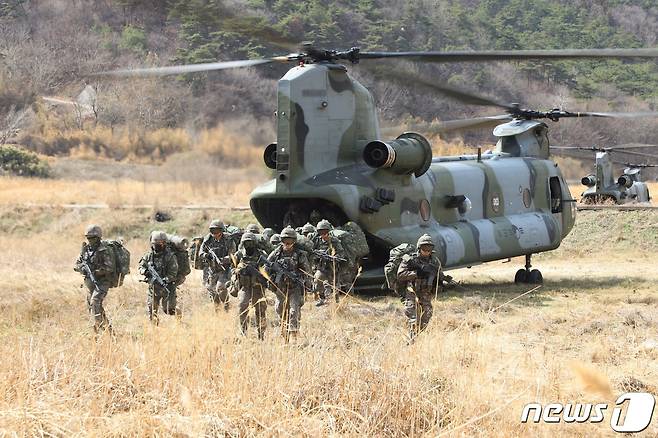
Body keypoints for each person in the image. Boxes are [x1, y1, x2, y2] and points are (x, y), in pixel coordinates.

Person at [265, 227, 311, 342]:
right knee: (280, 309)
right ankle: (283, 329)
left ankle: (294, 334)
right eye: (285, 241)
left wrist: (307, 283)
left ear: (294, 241)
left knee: (294, 310)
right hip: (280, 287)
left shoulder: (299, 254)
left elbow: (307, 270)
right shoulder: (276, 253)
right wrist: (271, 276)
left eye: (290, 241)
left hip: (294, 286)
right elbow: (266, 266)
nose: (287, 244)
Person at [397, 234, 443, 342]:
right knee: (412, 316)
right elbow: (400, 274)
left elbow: (439, 274)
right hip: (412, 291)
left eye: (429, 248)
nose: (427, 251)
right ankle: (410, 340)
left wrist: (439, 279)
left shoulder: (434, 261)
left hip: (425, 293)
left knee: (427, 314)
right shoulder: (410, 259)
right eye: (424, 248)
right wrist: (416, 273)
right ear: (419, 248)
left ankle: (415, 335)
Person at [74, 224, 115, 334]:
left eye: (93, 238)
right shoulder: (85, 250)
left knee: (95, 302)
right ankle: (109, 332)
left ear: (98, 238)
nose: (90, 240)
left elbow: (109, 267)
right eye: (88, 238)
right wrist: (83, 269)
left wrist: (96, 271)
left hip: (102, 282)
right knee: (93, 307)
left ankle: (97, 331)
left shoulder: (104, 250)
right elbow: (76, 265)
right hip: (89, 283)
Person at [232, 232, 269, 340]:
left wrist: (259, 272)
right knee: (242, 306)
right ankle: (243, 331)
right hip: (245, 286)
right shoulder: (239, 254)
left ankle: (261, 335)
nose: (248, 245)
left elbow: (267, 269)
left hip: (258, 287)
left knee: (260, 310)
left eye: (250, 242)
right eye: (246, 243)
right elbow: (231, 268)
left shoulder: (261, 255)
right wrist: (239, 270)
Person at [139, 231, 179, 325]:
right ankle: (155, 330)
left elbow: (173, 273)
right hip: (153, 289)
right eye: (155, 244)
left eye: (159, 244)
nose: (156, 246)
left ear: (164, 244)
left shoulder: (170, 257)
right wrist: (145, 272)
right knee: (152, 311)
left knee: (169, 310)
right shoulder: (149, 255)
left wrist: (165, 280)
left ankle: (178, 315)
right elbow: (141, 266)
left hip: (167, 288)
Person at [199, 219, 236, 312]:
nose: (214, 233)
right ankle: (218, 311)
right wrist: (207, 255)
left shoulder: (228, 239)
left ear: (221, 230)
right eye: (212, 231)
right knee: (212, 290)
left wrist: (223, 259)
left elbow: (233, 255)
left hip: (225, 270)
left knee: (220, 287)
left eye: (217, 231)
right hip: (212, 270)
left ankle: (226, 306)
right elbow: (201, 252)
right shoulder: (208, 240)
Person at [311, 219, 348, 306]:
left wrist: (335, 257)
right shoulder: (317, 241)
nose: (323, 235)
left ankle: (336, 302)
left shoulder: (334, 241)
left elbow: (341, 252)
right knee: (317, 280)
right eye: (321, 232)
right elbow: (312, 252)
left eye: (325, 232)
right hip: (322, 266)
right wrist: (318, 255)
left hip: (333, 267)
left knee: (335, 285)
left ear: (328, 231)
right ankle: (322, 299)